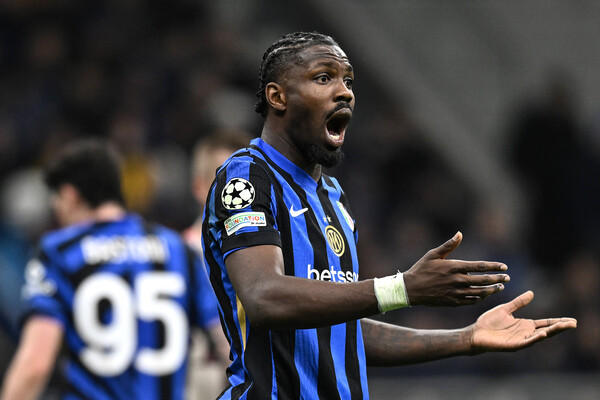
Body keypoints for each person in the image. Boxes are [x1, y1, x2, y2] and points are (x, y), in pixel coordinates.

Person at [201, 31, 577, 399]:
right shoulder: (248, 176)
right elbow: (263, 297)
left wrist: (466, 338)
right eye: (324, 78)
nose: (345, 92)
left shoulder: (333, 196)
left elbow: (342, 334)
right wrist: (401, 289)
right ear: (277, 96)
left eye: (348, 81)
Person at [0, 139, 222, 400]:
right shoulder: (178, 250)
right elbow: (226, 345)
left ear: (70, 195)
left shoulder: (60, 252)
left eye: (57, 200)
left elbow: (35, 365)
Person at [183, 129, 251, 400]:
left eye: (244, 180)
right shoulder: (179, 256)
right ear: (199, 187)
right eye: (223, 180)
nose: (236, 191)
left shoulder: (269, 257)